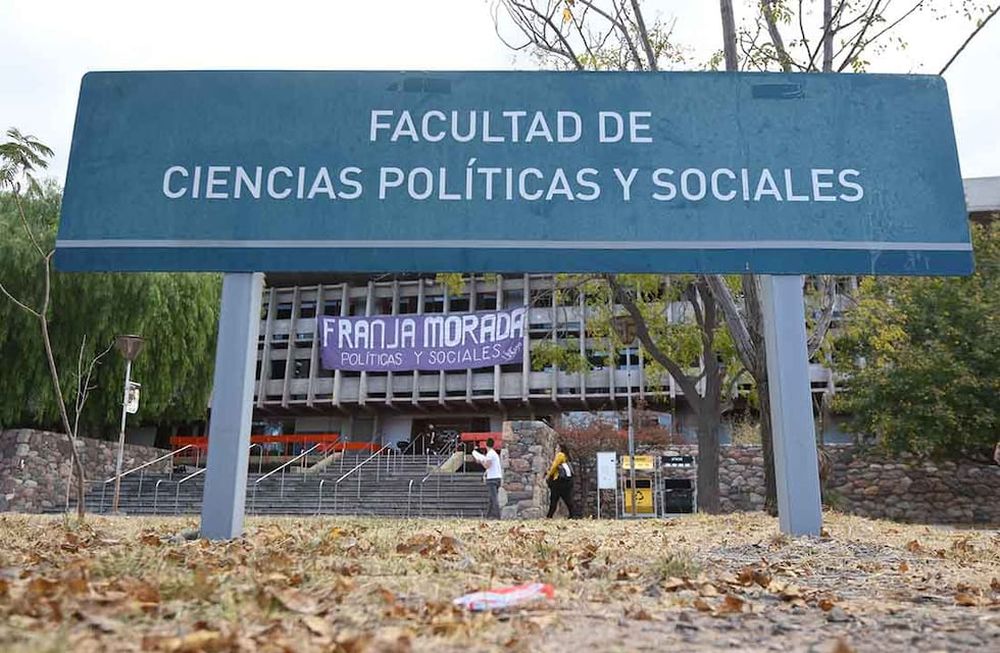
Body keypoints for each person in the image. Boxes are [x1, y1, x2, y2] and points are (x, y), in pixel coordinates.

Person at [471, 437, 503, 519]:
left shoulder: (490, 454)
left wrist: (481, 461)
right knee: (491, 499)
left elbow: (487, 466)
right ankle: (488, 516)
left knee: (494, 499)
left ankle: (498, 516)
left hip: (492, 478)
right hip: (497, 477)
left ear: (486, 445)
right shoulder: (494, 454)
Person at [546, 442, 577, 518]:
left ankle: (549, 516)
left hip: (558, 481)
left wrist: (549, 475)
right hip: (567, 481)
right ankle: (572, 515)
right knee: (567, 499)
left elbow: (554, 466)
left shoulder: (560, 455)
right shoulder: (567, 457)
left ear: (560, 449)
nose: (556, 449)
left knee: (554, 499)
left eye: (557, 448)